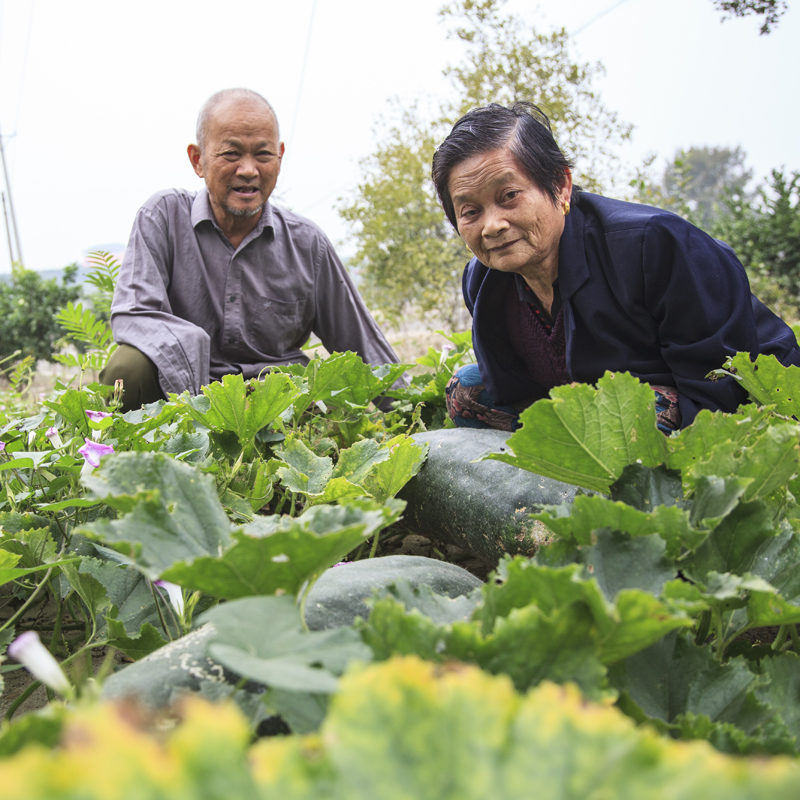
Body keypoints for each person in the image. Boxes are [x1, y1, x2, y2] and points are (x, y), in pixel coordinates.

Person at [431, 102, 800, 433]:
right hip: (591, 405)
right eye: (470, 211)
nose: (492, 225)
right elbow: (511, 387)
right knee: (468, 391)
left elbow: (721, 384)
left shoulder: (653, 243)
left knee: (629, 417)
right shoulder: (482, 281)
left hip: (738, 400)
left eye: (509, 196)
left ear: (561, 186)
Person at [101, 88, 401, 412]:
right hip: (182, 399)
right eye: (231, 154)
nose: (248, 170)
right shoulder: (162, 217)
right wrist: (197, 380)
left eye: (263, 154)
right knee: (127, 367)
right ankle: (121, 457)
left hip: (275, 405)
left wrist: (416, 418)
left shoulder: (308, 244)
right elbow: (133, 315)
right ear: (197, 160)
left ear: (280, 157)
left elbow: (364, 347)